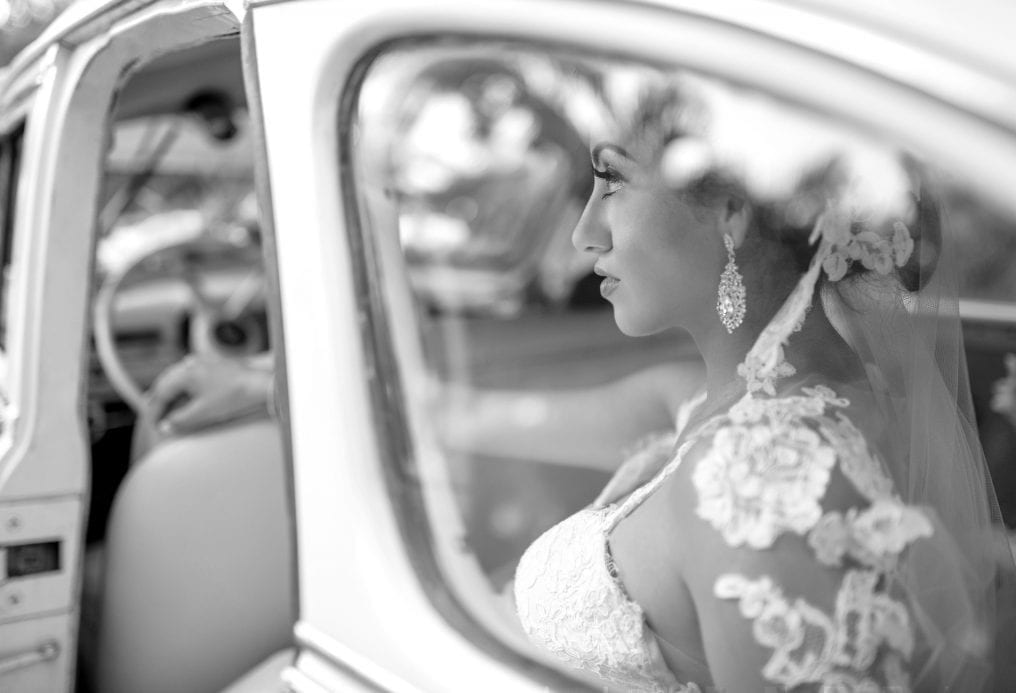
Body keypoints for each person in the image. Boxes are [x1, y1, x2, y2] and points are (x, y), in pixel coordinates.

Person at [145, 74, 1015, 691]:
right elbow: (467, 409)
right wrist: (274, 381)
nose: (581, 237)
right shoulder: (720, 403)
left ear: (732, 208)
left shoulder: (771, 486)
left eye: (612, 183)